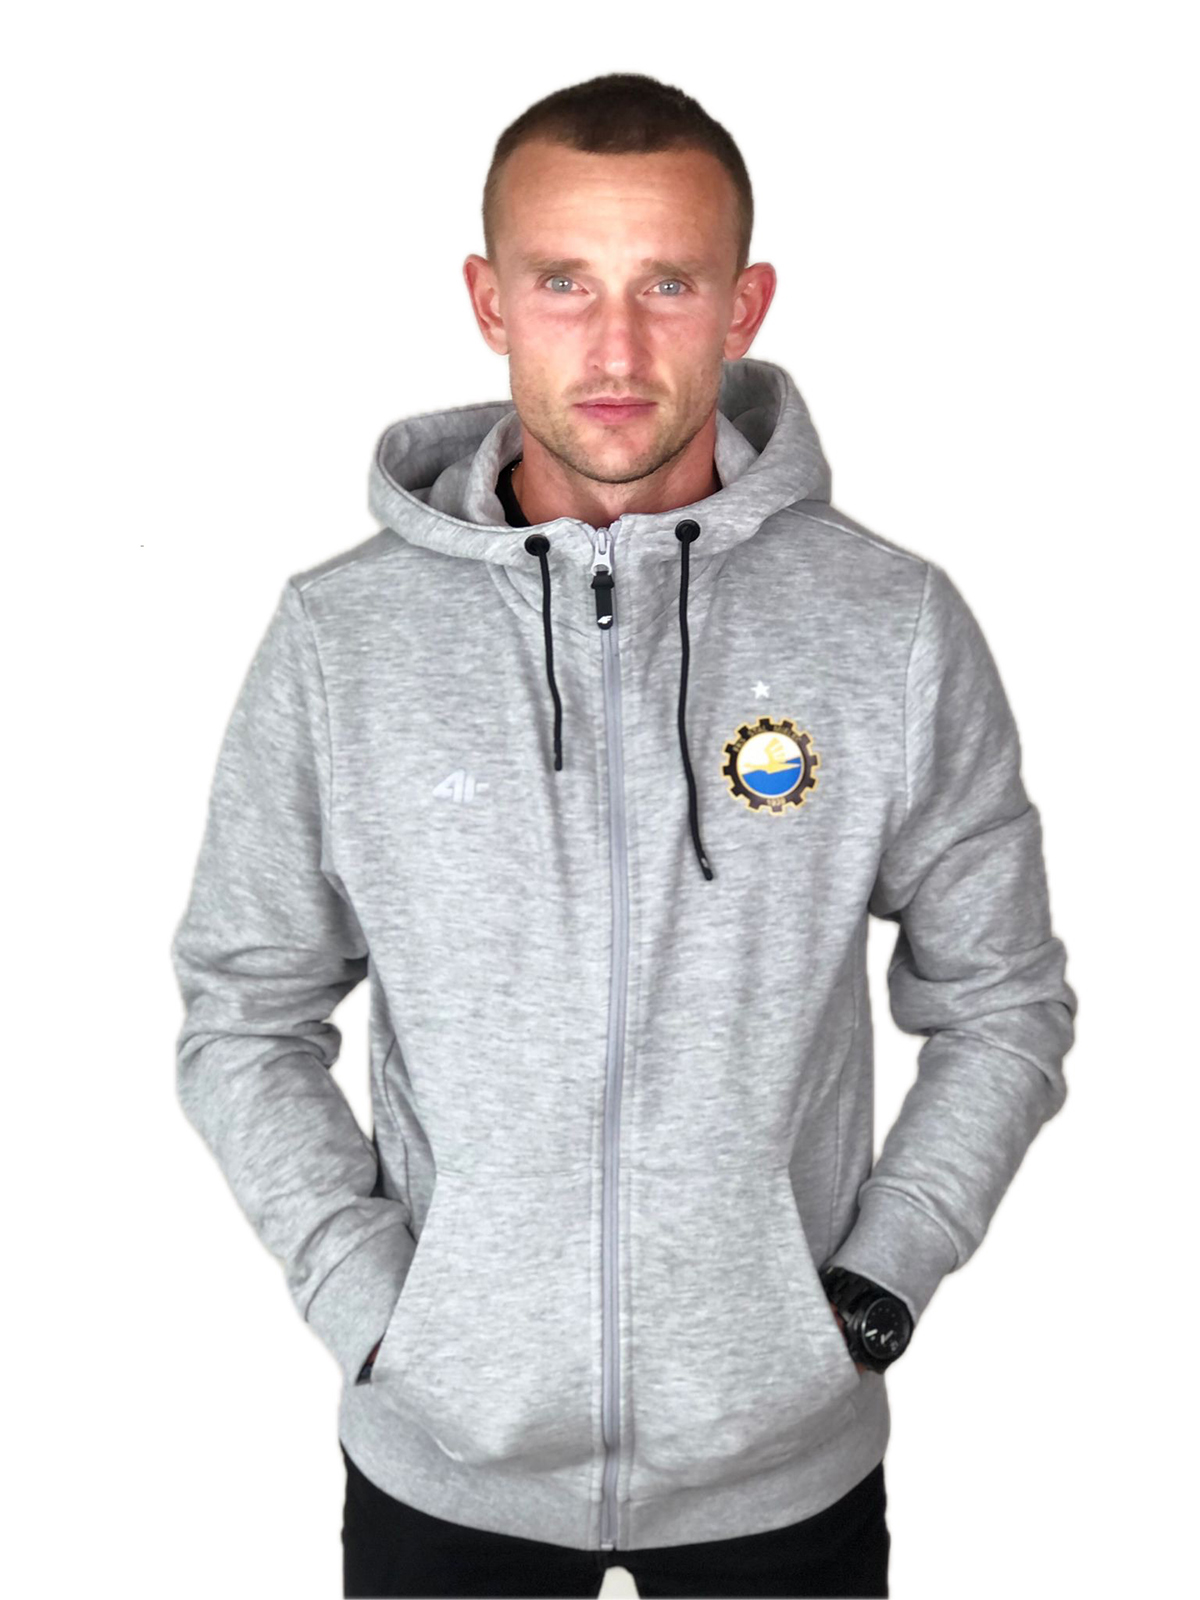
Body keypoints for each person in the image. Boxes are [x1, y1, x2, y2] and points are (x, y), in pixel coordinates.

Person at [171, 72, 1078, 1599]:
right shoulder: (344, 641)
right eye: (563, 283)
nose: (614, 348)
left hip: (783, 1473)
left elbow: (1004, 1000)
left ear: (743, 307)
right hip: (444, 1465)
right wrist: (373, 1307)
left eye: (666, 284)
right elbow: (241, 1012)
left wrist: (881, 1279)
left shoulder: (891, 628)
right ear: (489, 301)